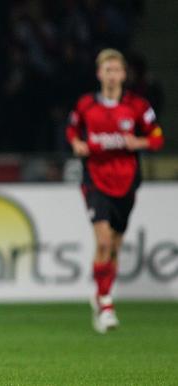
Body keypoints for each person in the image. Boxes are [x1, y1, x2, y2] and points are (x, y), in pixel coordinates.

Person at [66, 48, 164, 334]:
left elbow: (157, 137)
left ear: (123, 74)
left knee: (116, 246)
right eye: (106, 70)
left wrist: (140, 143)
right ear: (99, 74)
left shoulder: (137, 107)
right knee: (104, 242)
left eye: (116, 70)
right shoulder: (85, 105)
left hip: (127, 179)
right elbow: (72, 130)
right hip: (95, 179)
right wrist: (75, 144)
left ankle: (101, 292)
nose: (111, 75)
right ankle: (106, 303)